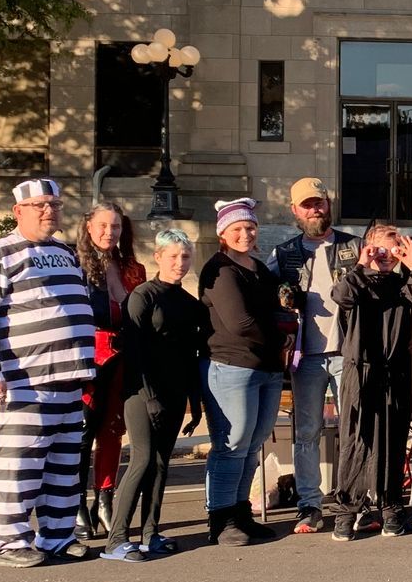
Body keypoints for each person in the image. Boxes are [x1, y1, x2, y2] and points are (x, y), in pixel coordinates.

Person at [0, 178, 96, 567]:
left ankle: (57, 536)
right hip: (27, 382)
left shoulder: (65, 252)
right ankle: (6, 543)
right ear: (17, 211)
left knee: (63, 465)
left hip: (70, 378)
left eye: (54, 204)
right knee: (19, 465)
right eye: (39, 205)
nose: (48, 211)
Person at [105, 229, 206, 561]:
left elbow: (192, 355)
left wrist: (195, 403)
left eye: (185, 256)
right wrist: (149, 397)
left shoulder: (189, 303)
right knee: (143, 460)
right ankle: (117, 539)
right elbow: (135, 352)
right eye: (173, 256)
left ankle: (151, 532)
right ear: (159, 257)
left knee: (162, 464)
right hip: (142, 393)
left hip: (175, 392)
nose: (179, 263)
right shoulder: (142, 296)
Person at [329, 221, 412, 540]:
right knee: (356, 440)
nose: (387, 256)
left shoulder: (404, 285)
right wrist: (362, 264)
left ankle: (390, 506)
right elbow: (341, 296)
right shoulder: (358, 281)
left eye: (394, 249)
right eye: (381, 249)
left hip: (395, 371)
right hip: (360, 371)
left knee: (392, 441)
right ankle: (348, 508)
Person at [270, 177, 359, 535]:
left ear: (329, 204)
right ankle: (309, 503)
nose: (315, 209)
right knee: (306, 432)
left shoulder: (354, 246)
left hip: (348, 352)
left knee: (354, 430)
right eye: (307, 205)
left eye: (319, 202)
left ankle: (351, 499)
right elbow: (265, 298)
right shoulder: (284, 253)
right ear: (295, 210)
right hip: (305, 358)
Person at [198, 197, 287, 547]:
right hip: (231, 366)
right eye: (237, 229)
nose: (245, 234)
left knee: (252, 446)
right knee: (231, 445)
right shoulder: (219, 270)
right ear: (223, 233)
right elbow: (240, 323)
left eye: (250, 227)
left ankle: (241, 512)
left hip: (266, 368)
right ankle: (220, 519)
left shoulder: (259, 268)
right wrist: (281, 333)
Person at [75, 200, 144, 543]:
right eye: (102, 225)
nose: (108, 232)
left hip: (124, 356)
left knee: (113, 430)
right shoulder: (75, 266)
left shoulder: (133, 268)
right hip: (88, 356)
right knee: (84, 430)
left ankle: (105, 498)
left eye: (115, 226)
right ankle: (76, 504)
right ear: (88, 227)